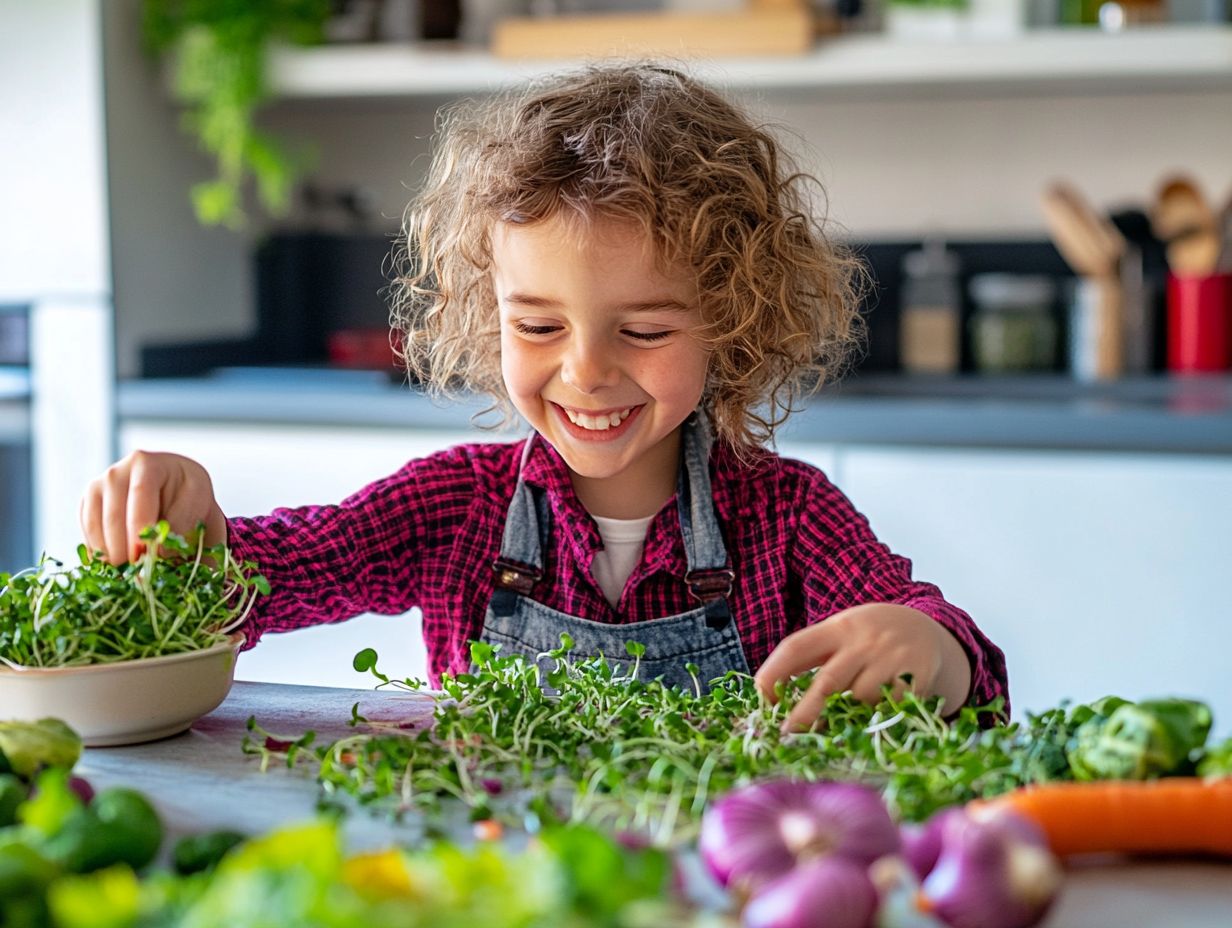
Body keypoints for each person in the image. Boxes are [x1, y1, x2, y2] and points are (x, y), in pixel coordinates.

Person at [80, 63, 1007, 730]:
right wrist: (187, 533)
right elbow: (260, 586)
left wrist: (935, 651)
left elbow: (967, 665)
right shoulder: (454, 507)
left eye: (642, 331)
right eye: (538, 327)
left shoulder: (790, 517)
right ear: (489, 316)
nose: (587, 372)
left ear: (732, 318)